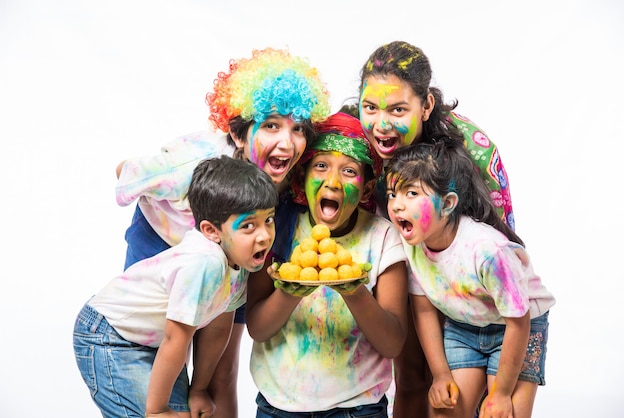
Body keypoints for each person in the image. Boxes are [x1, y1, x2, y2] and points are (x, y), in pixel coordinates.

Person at [114, 47, 331, 417]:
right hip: (163, 243)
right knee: (168, 347)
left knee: (220, 365)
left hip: (236, 251)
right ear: (239, 134)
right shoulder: (197, 160)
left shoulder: (290, 177)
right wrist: (180, 202)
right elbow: (125, 170)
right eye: (271, 125)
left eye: (298, 129)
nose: (287, 142)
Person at [340, 40, 517, 417]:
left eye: (398, 109)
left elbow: (501, 244)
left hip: (464, 283)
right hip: (398, 267)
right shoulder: (354, 136)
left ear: (426, 106)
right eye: (370, 107)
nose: (381, 124)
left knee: (461, 393)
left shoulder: (472, 150)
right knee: (410, 378)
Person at [73, 156, 279, 418]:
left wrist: (199, 389)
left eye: (269, 220)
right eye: (248, 226)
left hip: (154, 343)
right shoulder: (205, 262)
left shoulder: (240, 262)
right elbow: (176, 337)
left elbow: (218, 326)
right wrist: (157, 410)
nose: (264, 235)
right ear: (211, 230)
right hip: (111, 336)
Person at [245, 112, 408, 417]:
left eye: (348, 171)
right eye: (321, 166)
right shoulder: (276, 227)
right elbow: (257, 328)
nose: (332, 181)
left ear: (367, 189)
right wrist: (290, 292)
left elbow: (392, 344)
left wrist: (354, 291)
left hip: (358, 409)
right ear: (301, 177)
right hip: (277, 407)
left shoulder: (382, 237)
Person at [385, 140, 555, 418]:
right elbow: (424, 310)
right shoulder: (412, 244)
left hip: (517, 327)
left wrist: (499, 394)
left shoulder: (487, 251)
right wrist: (440, 375)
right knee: (445, 411)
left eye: (411, 193)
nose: (397, 205)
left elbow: (518, 321)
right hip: (465, 327)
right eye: (393, 194)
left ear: (448, 204)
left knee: (503, 413)